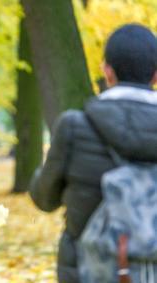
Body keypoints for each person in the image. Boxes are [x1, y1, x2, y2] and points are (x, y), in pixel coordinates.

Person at [29, 23, 157, 283]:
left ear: (107, 71)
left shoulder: (75, 127)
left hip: (86, 270)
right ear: (156, 75)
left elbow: (44, 199)